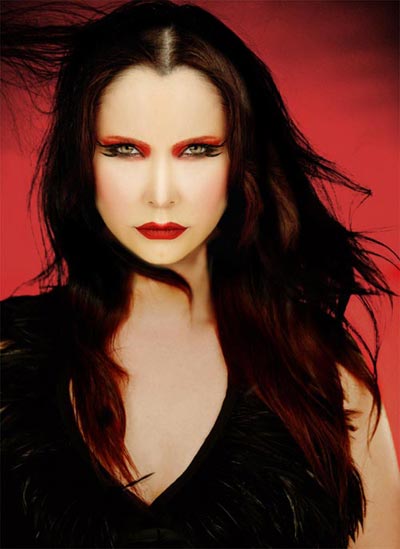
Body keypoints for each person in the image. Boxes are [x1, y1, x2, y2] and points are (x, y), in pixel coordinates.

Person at [1, 0, 399, 547]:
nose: (161, 193)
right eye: (124, 150)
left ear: (241, 163)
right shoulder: (7, 359)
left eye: (197, 150)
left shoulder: (323, 376)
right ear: (82, 161)